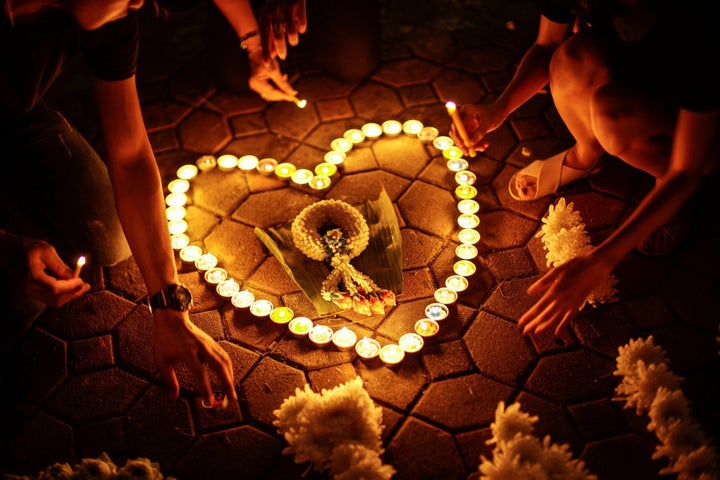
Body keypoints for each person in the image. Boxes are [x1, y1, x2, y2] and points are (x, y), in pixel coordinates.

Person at [0, 0, 297, 408]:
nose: (139, 2)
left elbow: (131, 156)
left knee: (112, 237)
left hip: (14, 113)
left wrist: (169, 305)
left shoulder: (112, 12)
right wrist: (6, 247)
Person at [449, 0, 719, 336]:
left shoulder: (698, 23)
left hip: (696, 111)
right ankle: (587, 153)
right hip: (635, 63)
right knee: (570, 58)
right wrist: (498, 110)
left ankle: (668, 186)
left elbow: (687, 169)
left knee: (612, 117)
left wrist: (601, 259)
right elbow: (547, 45)